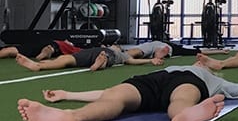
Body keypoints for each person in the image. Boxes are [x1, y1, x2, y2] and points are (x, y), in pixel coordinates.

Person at [17, 62, 238, 121]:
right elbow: (103, 91)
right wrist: (68, 94)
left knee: (181, 98)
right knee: (114, 96)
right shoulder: (177, 64)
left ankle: (182, 116)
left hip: (186, 84)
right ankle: (72, 117)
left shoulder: (216, 81)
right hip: (150, 81)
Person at [15, 44, 165, 73]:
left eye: (116, 45)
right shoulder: (103, 47)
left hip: (107, 56)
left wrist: (149, 60)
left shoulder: (121, 54)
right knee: (64, 59)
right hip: (87, 55)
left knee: (104, 56)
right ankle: (39, 64)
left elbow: (132, 61)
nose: (115, 44)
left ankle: (100, 63)